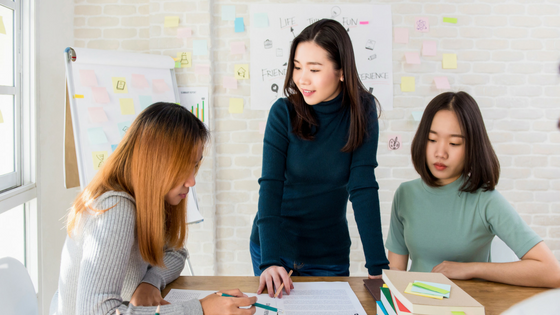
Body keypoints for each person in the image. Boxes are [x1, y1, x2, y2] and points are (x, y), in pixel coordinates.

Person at [51, 103, 256, 315]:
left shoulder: (150, 199)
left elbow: (176, 251)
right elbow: (97, 312)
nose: (192, 181)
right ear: (155, 163)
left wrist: (150, 282)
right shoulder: (115, 210)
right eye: (182, 167)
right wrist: (200, 310)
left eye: (194, 166)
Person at [250, 19, 389, 298]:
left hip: (329, 254)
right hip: (275, 247)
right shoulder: (283, 113)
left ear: (341, 72)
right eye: (297, 67)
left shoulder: (362, 112)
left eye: (314, 69)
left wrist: (378, 266)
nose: (302, 78)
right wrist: (270, 260)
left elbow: (362, 186)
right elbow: (271, 186)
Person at [386, 91, 560, 288]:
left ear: (472, 147)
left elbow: (552, 272)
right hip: (412, 303)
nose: (440, 152)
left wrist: (471, 269)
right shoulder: (405, 194)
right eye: (432, 139)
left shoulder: (486, 200)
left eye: (454, 143)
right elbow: (396, 270)